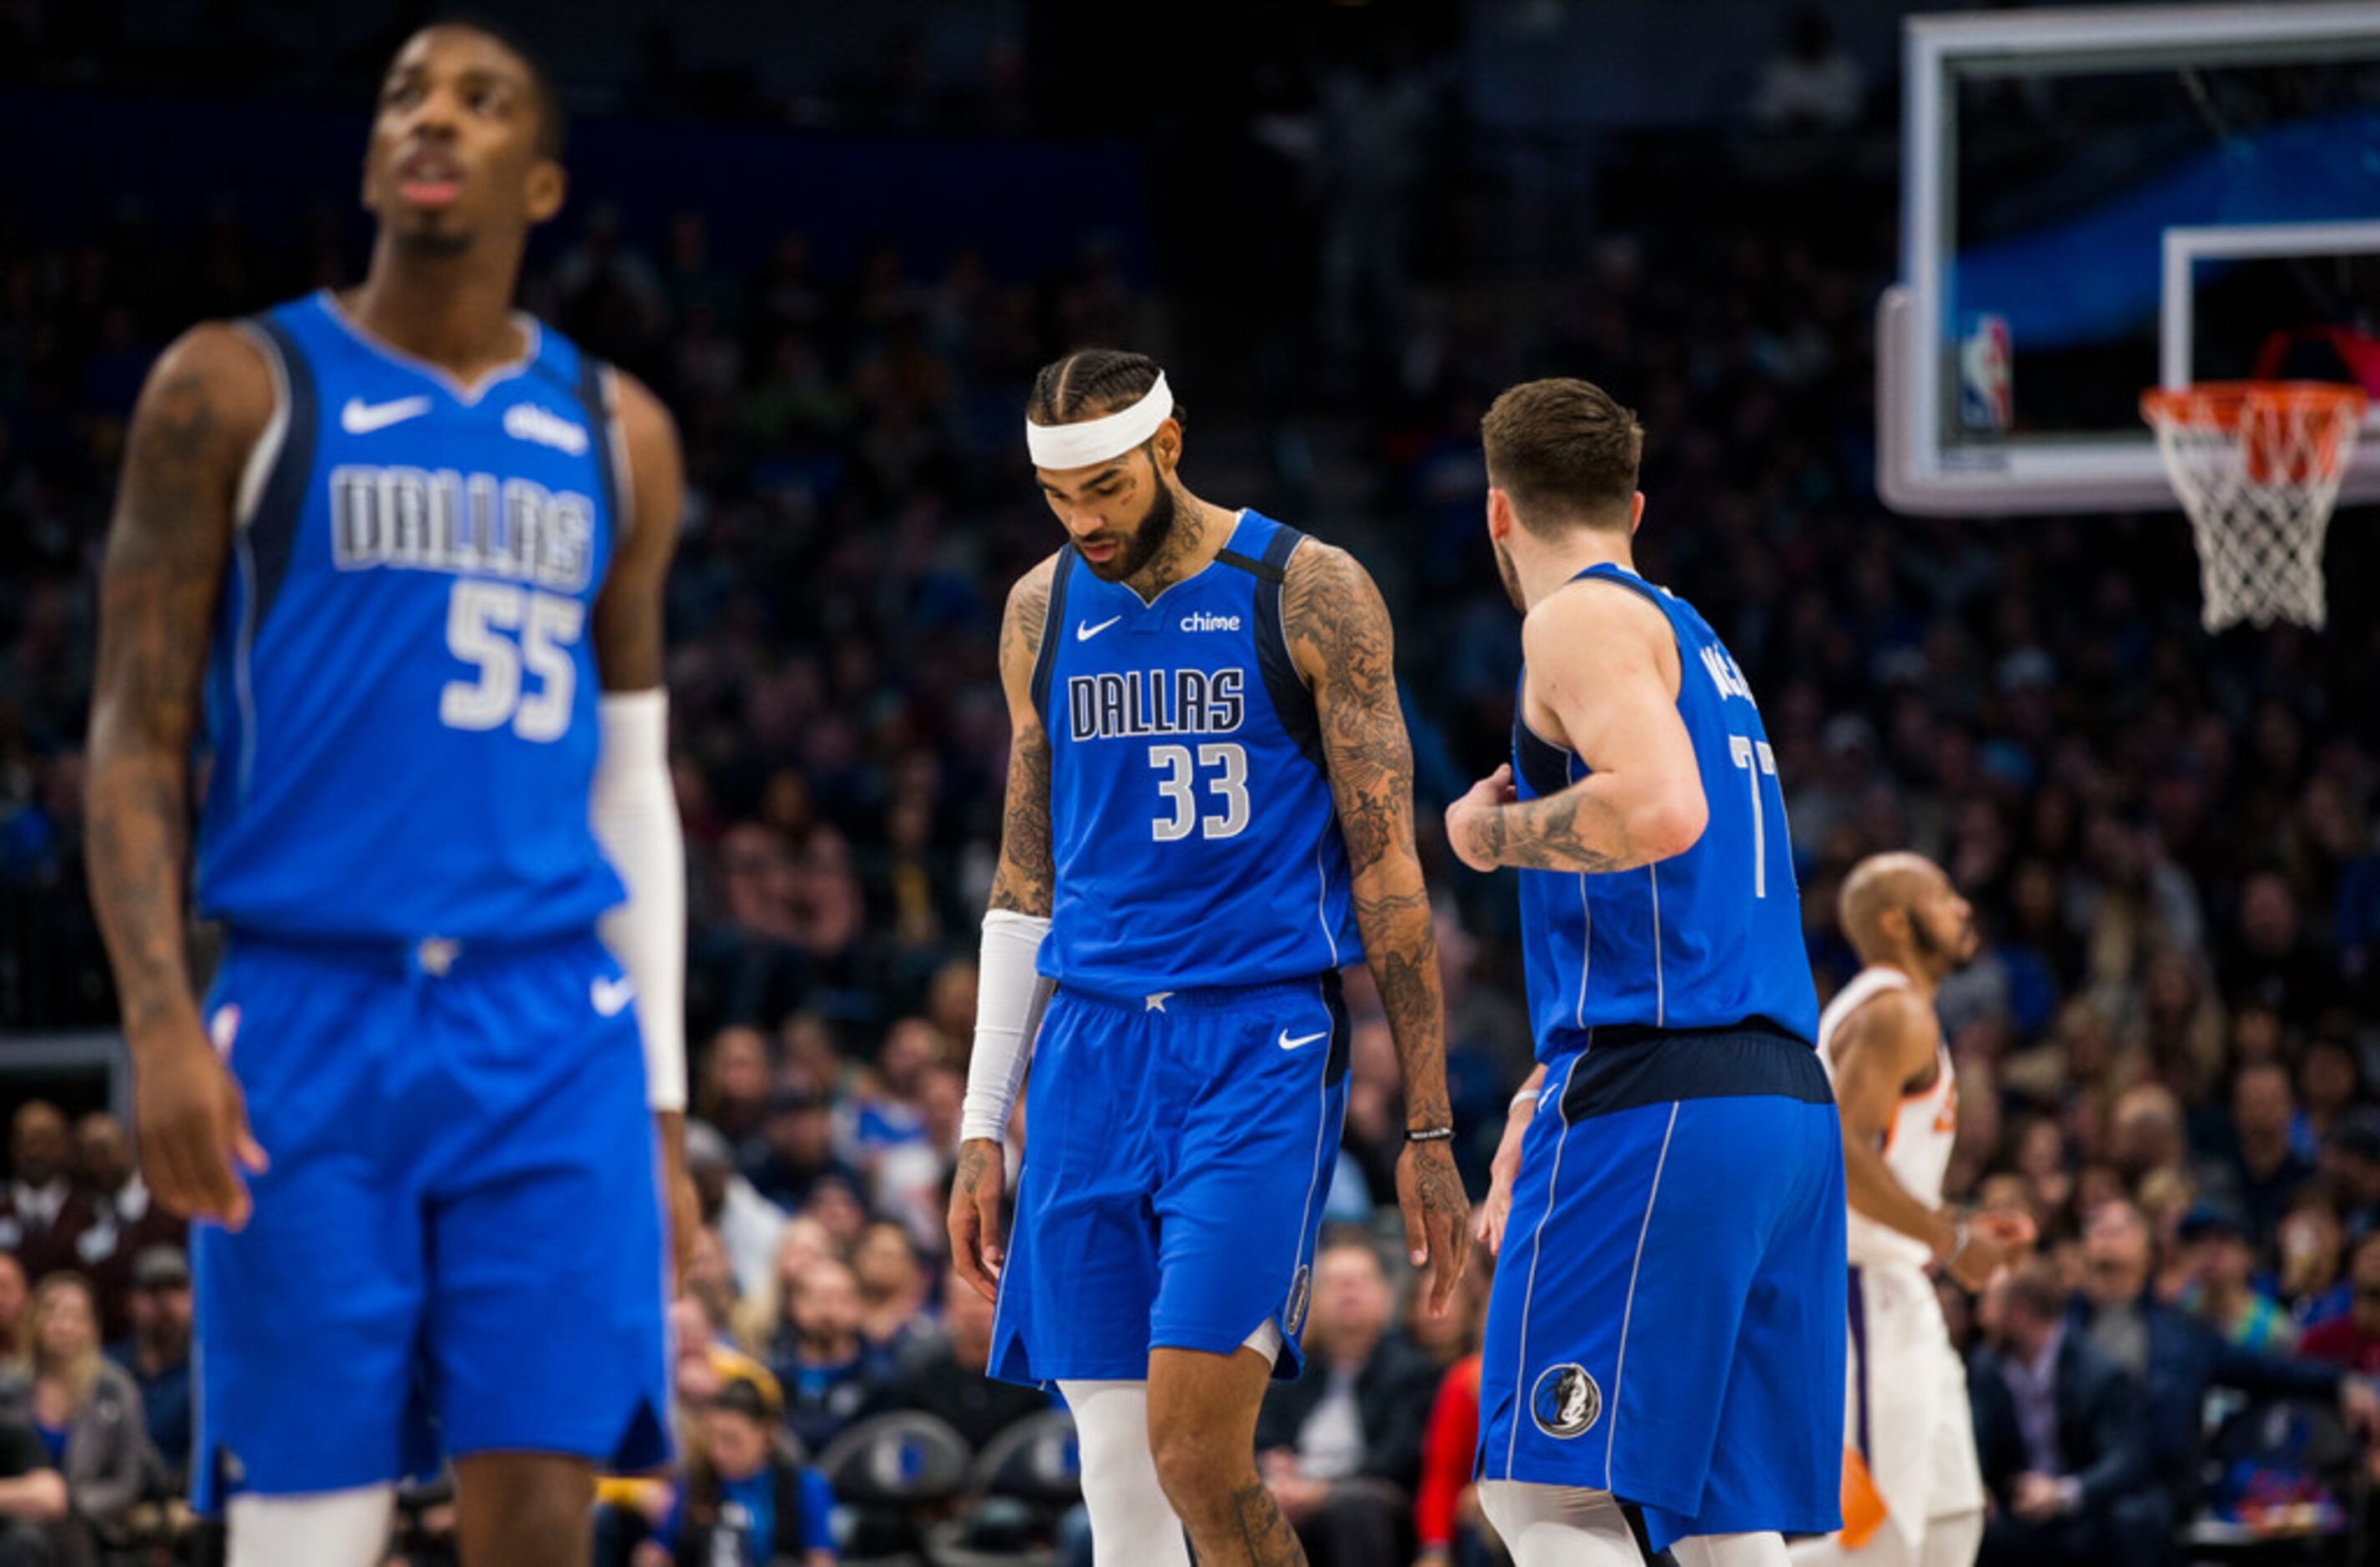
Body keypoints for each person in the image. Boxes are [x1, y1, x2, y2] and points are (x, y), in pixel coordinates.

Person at [82, 21, 695, 1566]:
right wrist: (157, 1018)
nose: (435, 119)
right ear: (370, 161)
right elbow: (134, 733)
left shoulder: (621, 432)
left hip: (550, 1016)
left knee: (545, 1516)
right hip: (305, 1006)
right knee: (307, 1519)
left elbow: (631, 773)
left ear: (540, 180)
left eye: (480, 102)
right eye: (406, 97)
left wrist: (665, 1102)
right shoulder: (229, 385)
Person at [949, 348, 1469, 1567]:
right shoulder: (1040, 608)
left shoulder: (1305, 588)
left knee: (1194, 1447)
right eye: (1055, 493)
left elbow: (1390, 870)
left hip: (1257, 1038)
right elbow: (1026, 876)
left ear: (1169, 447)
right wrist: (984, 1118)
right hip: (1087, 1042)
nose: (1082, 520)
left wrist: (1432, 1125)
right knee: (1118, 1472)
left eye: (1107, 486)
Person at [1450, 378, 1843, 1567]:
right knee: (1724, 1516)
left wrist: (1485, 837)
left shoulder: (1573, 622)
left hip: (1663, 1102)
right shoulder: (1694, 635)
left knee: (1544, 1490)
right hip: (1773, 1104)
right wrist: (1538, 1088)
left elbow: (1661, 811)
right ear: (1632, 502)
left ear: (1496, 513)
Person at [1791, 854, 2027, 1567]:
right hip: (1858, 1293)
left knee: (1951, 1522)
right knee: (1875, 1541)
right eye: (1941, 896)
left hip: (1899, 1289)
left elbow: (1881, 1167)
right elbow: (1841, 1153)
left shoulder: (1896, 1010)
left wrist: (1947, 1223)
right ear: (1896, 921)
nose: (1961, 909)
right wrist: (1949, 1239)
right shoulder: (1893, 1013)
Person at [1250, 1234, 1438, 1567]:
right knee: (1236, 1504)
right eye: (1336, 1283)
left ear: (1386, 1296)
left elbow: (1398, 1458)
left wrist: (1322, 1490)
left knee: (1354, 1506)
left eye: (1360, 1281)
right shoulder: (1291, 1371)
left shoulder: (1412, 1372)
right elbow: (1261, 1440)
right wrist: (1274, 1470)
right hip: (1294, 1491)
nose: (1349, 1292)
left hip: (1371, 1497)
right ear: (1314, 1300)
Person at [1969, 1266, 2155, 1567]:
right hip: (2015, 1509)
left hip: (2080, 1507)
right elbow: (1976, 1439)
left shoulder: (2097, 1371)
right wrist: (1976, 1485)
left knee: (2127, 1521)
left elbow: (2125, 1460)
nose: (1980, 1317)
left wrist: (2061, 1494)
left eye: (1989, 1303)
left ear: (2020, 1313)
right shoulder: (1987, 1366)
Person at [0, 1275, 153, 1561]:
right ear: (34, 1320)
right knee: (24, 1540)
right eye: (53, 1313)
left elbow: (128, 1481)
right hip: (14, 1519)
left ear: (91, 1326)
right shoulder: (6, 1388)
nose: (64, 1326)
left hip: (93, 1524)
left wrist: (68, 1503)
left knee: (55, 1534)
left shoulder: (117, 1390)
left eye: (75, 1317)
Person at [633, 1374, 836, 1567]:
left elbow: (820, 1559)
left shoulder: (805, 1486)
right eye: (712, 1438)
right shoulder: (693, 1484)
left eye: (732, 1441)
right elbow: (656, 1552)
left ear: (767, 1434)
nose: (718, 1452)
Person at [103, 1247, 193, 1491]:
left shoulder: (207, 1369)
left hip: (194, 1507)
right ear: (131, 1301)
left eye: (176, 1289)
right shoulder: (107, 1369)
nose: (165, 1303)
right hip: (118, 1504)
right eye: (153, 1290)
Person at [0, 1107, 96, 1286]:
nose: (36, 1152)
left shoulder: (90, 1213)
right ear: (13, 1148)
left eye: (47, 1141)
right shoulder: (3, 1208)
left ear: (65, 1147)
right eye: (28, 1141)